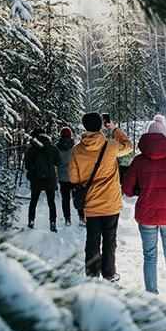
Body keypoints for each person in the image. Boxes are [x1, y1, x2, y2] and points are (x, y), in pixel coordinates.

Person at [122, 114, 166, 306]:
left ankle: (151, 296)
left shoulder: (139, 161)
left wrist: (140, 189)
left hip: (147, 215)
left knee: (150, 255)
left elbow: (127, 189)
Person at [69, 112, 133, 281]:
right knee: (110, 239)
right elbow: (128, 146)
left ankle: (91, 274)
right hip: (111, 203)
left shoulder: (77, 150)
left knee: (92, 240)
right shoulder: (110, 146)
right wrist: (114, 128)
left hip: (91, 204)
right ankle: (109, 273)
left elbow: (73, 178)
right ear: (100, 126)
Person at [25, 128, 61, 232]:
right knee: (51, 203)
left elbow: (27, 166)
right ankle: (53, 223)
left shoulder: (32, 149)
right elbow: (58, 163)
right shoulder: (52, 148)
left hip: (36, 179)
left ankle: (31, 221)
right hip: (50, 179)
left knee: (33, 202)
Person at [56, 127, 85, 226]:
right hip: (75, 177)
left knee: (65, 199)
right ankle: (81, 217)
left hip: (62, 178)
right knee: (78, 197)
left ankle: (67, 219)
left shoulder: (56, 147)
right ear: (70, 135)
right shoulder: (75, 147)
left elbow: (56, 162)